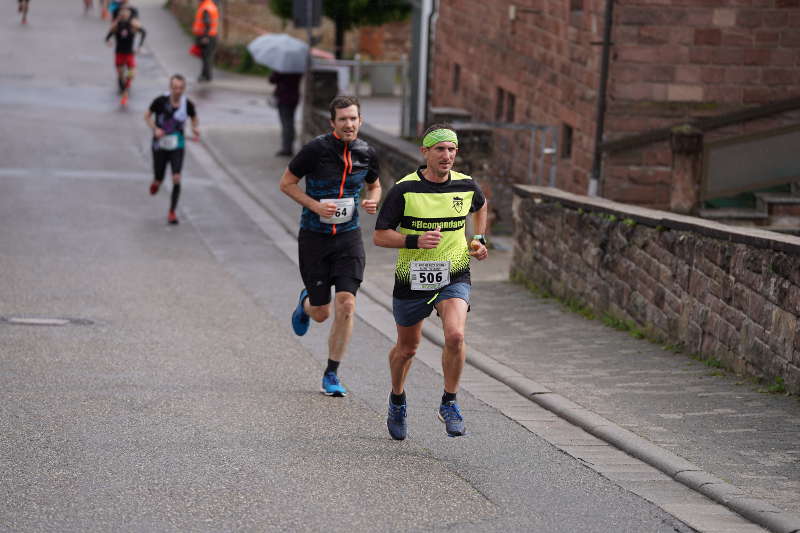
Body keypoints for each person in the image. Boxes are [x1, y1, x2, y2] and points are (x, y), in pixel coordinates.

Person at [373, 124, 489, 440]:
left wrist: (477, 239)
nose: (447, 156)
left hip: (454, 273)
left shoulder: (467, 186)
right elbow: (380, 236)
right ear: (425, 152)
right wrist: (414, 241)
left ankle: (449, 402)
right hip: (412, 277)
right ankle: (397, 398)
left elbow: (480, 205)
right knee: (408, 348)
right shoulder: (404, 189)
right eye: (440, 149)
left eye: (452, 150)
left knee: (455, 336)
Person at [279, 95, 382, 397]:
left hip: (348, 237)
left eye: (354, 118)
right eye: (343, 119)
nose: (349, 124)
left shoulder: (367, 153)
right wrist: (315, 205)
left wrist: (372, 200)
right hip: (314, 237)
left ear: (360, 120)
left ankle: (332, 374)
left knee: (347, 304)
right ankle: (306, 303)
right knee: (322, 312)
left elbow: (374, 184)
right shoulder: (316, 150)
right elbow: (286, 183)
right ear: (332, 123)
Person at [144, 74, 199, 225]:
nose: (177, 91)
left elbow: (194, 118)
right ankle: (156, 182)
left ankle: (172, 212)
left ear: (184, 88)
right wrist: (155, 128)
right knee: (159, 177)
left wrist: (195, 128)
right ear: (170, 88)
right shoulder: (160, 101)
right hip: (160, 144)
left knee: (176, 177)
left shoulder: (187, 104)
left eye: (181, 88)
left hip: (177, 145)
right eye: (175, 87)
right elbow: (147, 116)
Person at [105, 6, 146, 106]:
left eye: (126, 12)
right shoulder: (117, 25)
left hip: (129, 53)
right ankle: (123, 90)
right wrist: (108, 41)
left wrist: (140, 46)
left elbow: (144, 33)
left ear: (129, 14)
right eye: (122, 12)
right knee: (120, 74)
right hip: (119, 53)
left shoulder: (133, 24)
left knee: (132, 73)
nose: (124, 14)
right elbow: (108, 35)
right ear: (119, 14)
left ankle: (126, 88)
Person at [269, 71, 303, 157]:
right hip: (294, 97)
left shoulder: (282, 69)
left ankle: (287, 148)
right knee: (290, 122)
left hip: (284, 97)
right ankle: (289, 145)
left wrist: (274, 72)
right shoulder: (297, 68)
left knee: (286, 123)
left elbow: (272, 80)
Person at [193, 0, 219, 82]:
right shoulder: (210, 5)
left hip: (207, 37)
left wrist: (205, 37)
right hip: (212, 35)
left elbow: (207, 22)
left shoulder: (205, 7)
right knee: (206, 57)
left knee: (206, 57)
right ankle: (206, 75)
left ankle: (206, 76)